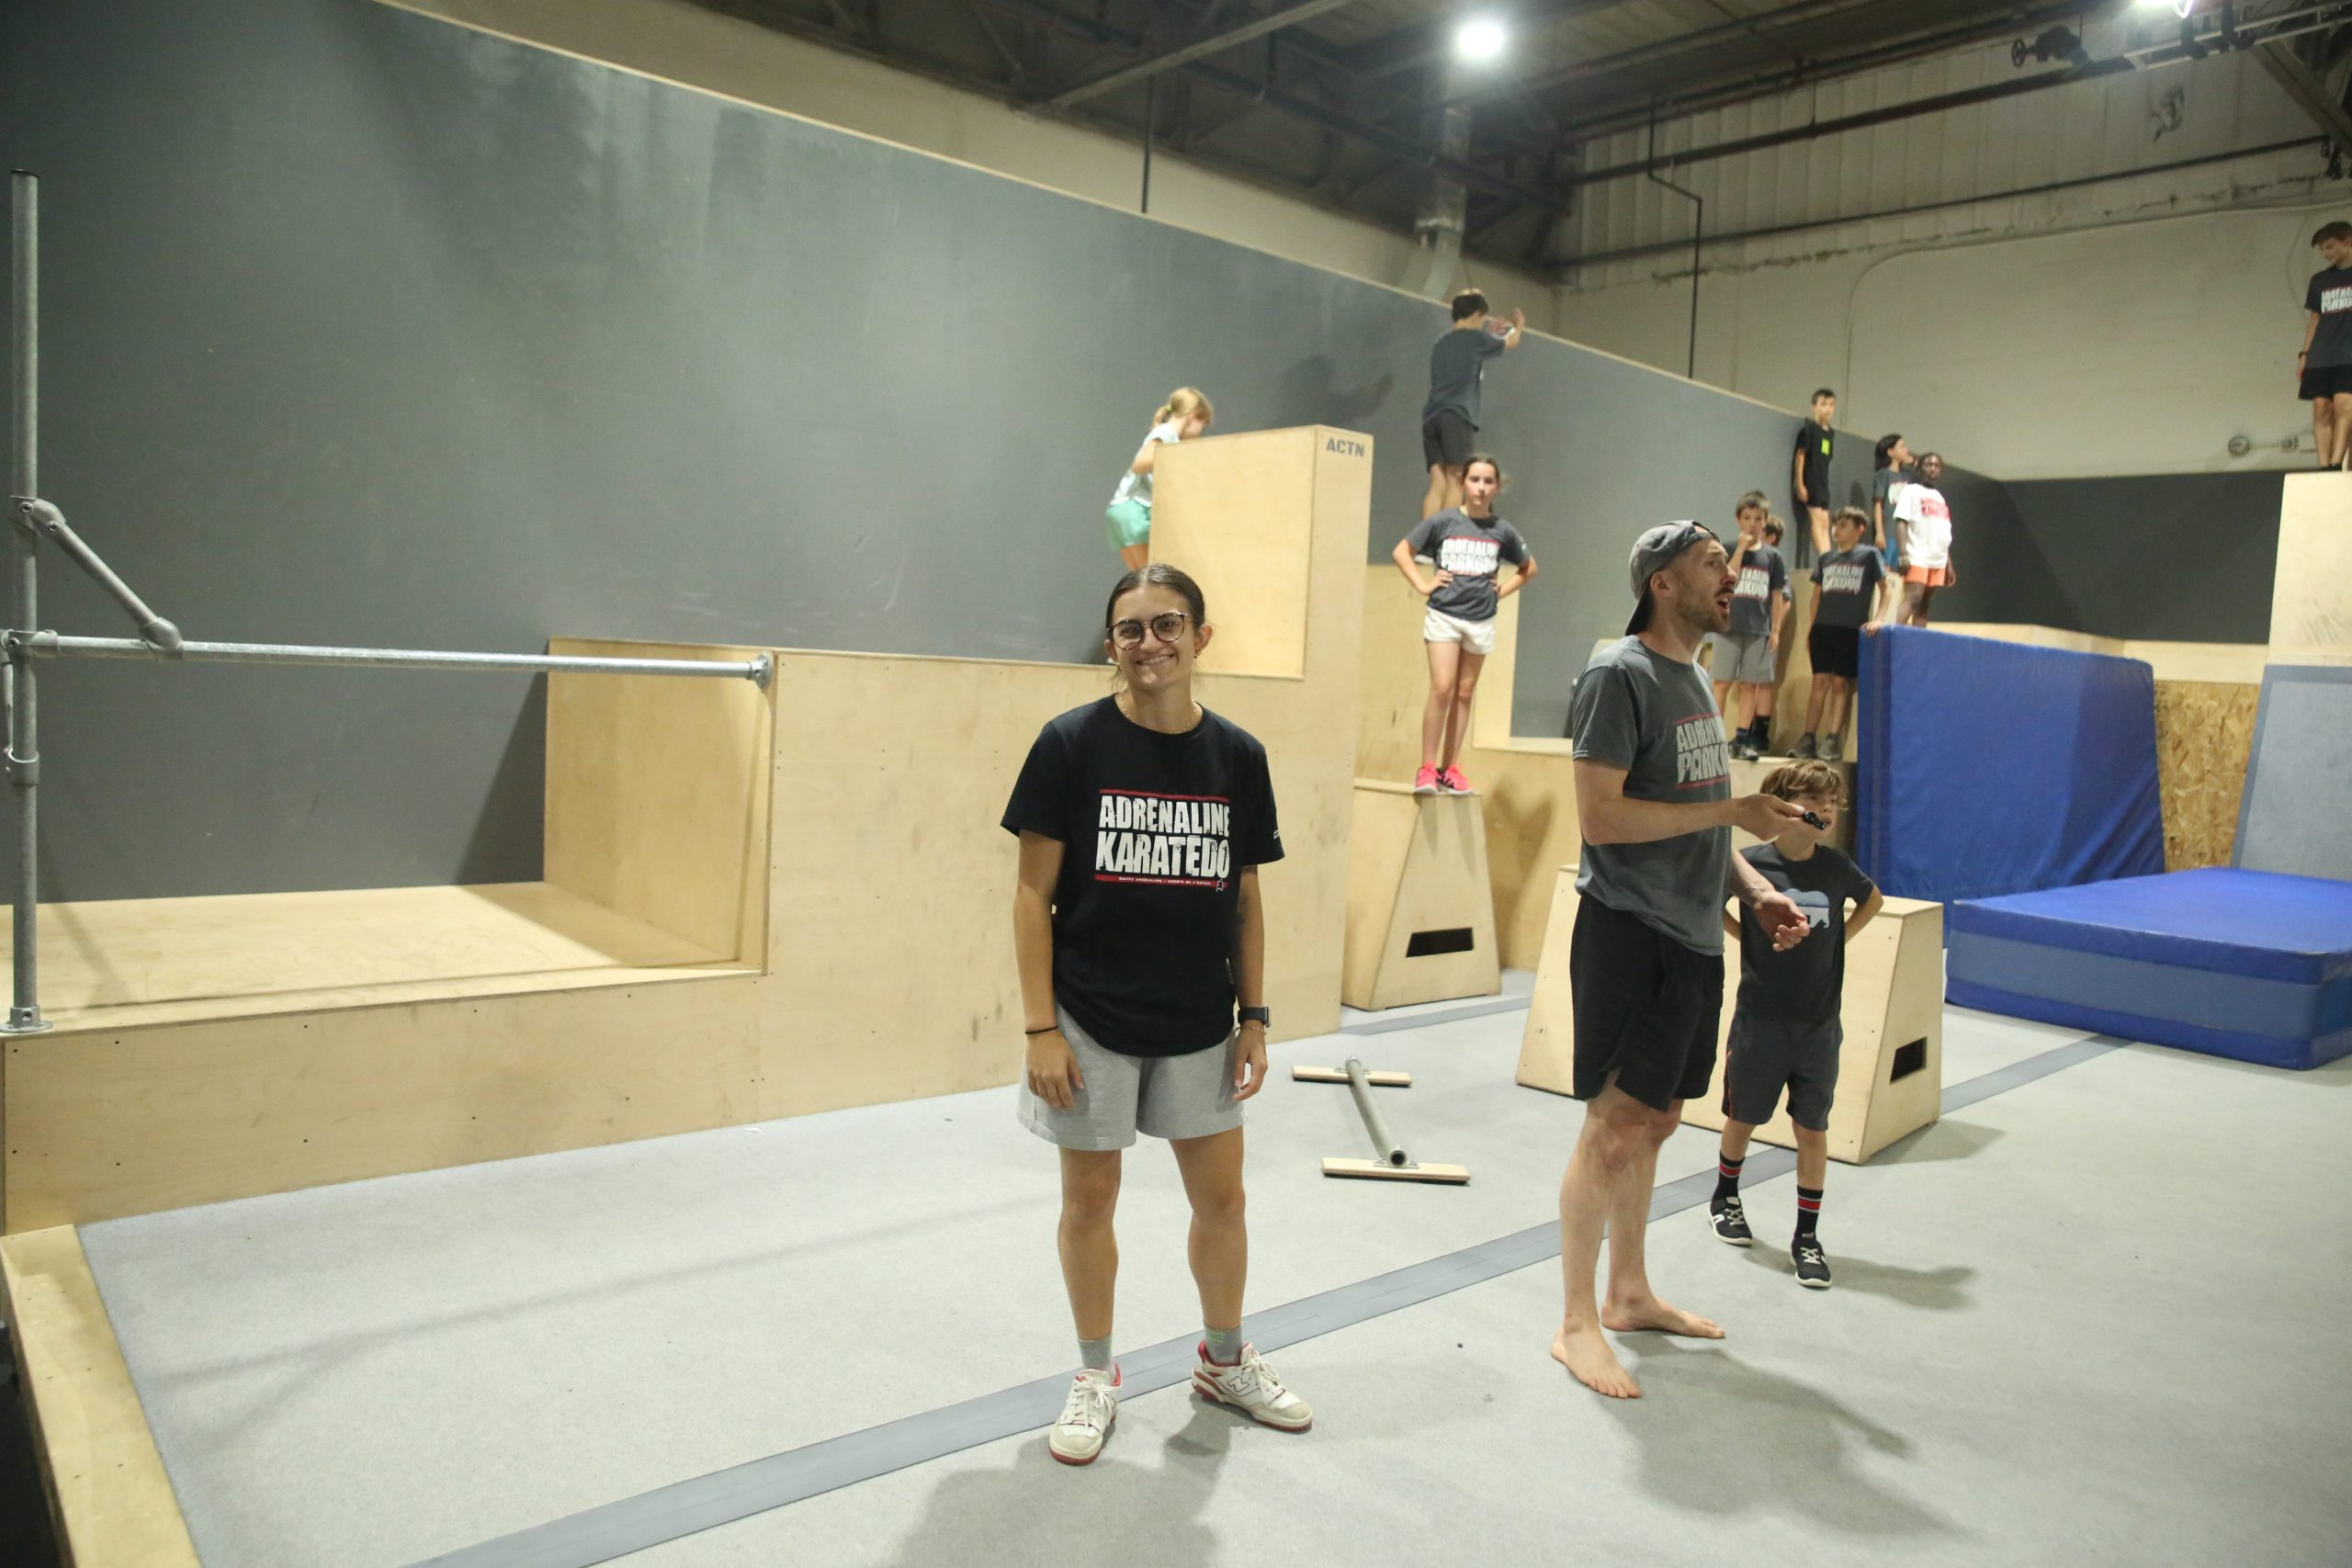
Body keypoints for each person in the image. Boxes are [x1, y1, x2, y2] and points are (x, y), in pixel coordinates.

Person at [1003, 563, 1310, 1465]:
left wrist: (1254, 1015)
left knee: (1222, 1200)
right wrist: (1040, 1028)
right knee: (1090, 1201)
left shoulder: (1239, 757)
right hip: (1088, 1018)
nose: (1150, 643)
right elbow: (1029, 898)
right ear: (1112, 644)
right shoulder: (1068, 745)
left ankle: (1223, 1360)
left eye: (1168, 624)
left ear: (1200, 637)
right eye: (1130, 629)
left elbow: (1245, 898)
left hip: (1199, 1022)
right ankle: (1095, 1373)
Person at [1555, 522, 1813, 1401]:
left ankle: (1628, 1293)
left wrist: (1754, 887)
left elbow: (1697, 816)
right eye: (1712, 564)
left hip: (1695, 934)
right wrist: (1733, 814)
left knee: (1659, 1118)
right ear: (1662, 584)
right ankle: (1575, 1321)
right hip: (1632, 930)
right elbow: (1601, 818)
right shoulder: (1618, 674)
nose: (1730, 576)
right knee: (1614, 1125)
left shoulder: (1698, 675)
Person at [1707, 759, 1883, 1291]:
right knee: (1744, 1115)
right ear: (1784, 806)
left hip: (1818, 1023)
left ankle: (1807, 1236)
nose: (1824, 811)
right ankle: (1725, 1195)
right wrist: (1746, 936)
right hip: (1761, 1017)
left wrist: (1839, 938)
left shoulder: (1836, 867)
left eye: (1831, 804)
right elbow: (1714, 902)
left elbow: (1872, 900)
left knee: (1812, 1127)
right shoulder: (1752, 864)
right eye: (1813, 802)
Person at [1392, 453, 1537, 795]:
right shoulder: (1443, 521)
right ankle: (1427, 767)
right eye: (1474, 480)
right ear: (1462, 484)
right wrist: (1423, 585)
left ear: (1497, 487)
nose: (1481, 487)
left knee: (1465, 692)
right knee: (1442, 687)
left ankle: (1451, 767)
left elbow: (1529, 568)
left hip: (1480, 619)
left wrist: (1500, 591)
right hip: (1445, 614)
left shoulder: (1501, 529)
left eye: (1488, 481)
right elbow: (1402, 551)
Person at [1792, 507, 1896, 762]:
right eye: (1835, 525)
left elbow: (1886, 589)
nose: (1836, 530)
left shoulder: (1869, 555)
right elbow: (1817, 595)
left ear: (1859, 529)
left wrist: (1879, 618)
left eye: (1843, 525)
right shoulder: (1826, 558)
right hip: (1823, 629)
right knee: (1819, 683)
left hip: (1849, 629)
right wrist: (1812, 627)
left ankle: (1832, 739)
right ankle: (1808, 737)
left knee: (1841, 684)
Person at [1419, 290, 1525, 520]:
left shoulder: (1440, 343)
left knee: (1437, 482)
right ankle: (1445, 537)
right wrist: (1519, 325)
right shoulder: (1475, 339)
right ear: (1477, 315)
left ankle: (1425, 539)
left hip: (1431, 416)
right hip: (1456, 415)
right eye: (1483, 319)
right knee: (1456, 480)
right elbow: (1512, 341)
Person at [1712, 492, 1789, 761]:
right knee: (1721, 682)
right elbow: (1727, 578)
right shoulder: (1727, 549)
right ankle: (1714, 738)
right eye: (1747, 518)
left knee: (1750, 685)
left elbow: (1777, 595)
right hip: (1728, 626)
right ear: (1738, 520)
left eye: (1758, 519)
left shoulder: (1773, 556)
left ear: (1765, 522)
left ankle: (1742, 738)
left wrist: (1775, 630)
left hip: (1759, 629)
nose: (1752, 524)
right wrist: (1741, 549)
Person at [1103, 389, 1214, 571]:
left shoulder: (1165, 434)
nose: (1201, 432)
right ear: (1193, 416)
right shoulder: (1167, 433)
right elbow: (1139, 465)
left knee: (1140, 577)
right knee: (1152, 577)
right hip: (1134, 509)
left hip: (1119, 509)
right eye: (1204, 424)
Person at [2298, 221, 2352, 469]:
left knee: (2343, 404)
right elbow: (2315, 319)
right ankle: (2323, 466)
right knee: (2321, 407)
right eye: (2322, 249)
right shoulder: (2320, 280)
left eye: (2330, 247)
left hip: (2348, 352)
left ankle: (2336, 462)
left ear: (2347, 242)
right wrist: (2304, 354)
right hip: (2323, 353)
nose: (2326, 253)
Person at [1891, 452, 1954, 627]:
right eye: (1928, 465)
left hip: (1938, 559)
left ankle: (1917, 640)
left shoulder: (1939, 497)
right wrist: (1903, 554)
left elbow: (1942, 530)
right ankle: (1893, 636)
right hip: (1917, 555)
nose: (1932, 469)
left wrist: (1948, 562)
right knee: (1914, 598)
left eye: (1936, 466)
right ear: (1919, 468)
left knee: (1924, 603)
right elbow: (1901, 522)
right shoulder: (1910, 491)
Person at [1791, 388, 1837, 559]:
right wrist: (1800, 484)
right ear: (1814, 406)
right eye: (1823, 404)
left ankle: (1830, 557)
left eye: (1831, 405)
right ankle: (1825, 559)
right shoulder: (1809, 429)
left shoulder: (1830, 432)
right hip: (1811, 481)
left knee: (1825, 522)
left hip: (1823, 482)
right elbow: (1800, 456)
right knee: (1816, 521)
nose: (1828, 409)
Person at [1870, 433, 1912, 574]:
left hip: (1903, 534)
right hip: (1888, 530)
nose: (1906, 449)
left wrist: (1912, 461)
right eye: (1902, 446)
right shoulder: (1883, 475)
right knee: (1885, 569)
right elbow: (1877, 504)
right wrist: (1879, 533)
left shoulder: (1907, 475)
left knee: (1900, 571)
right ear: (1890, 452)